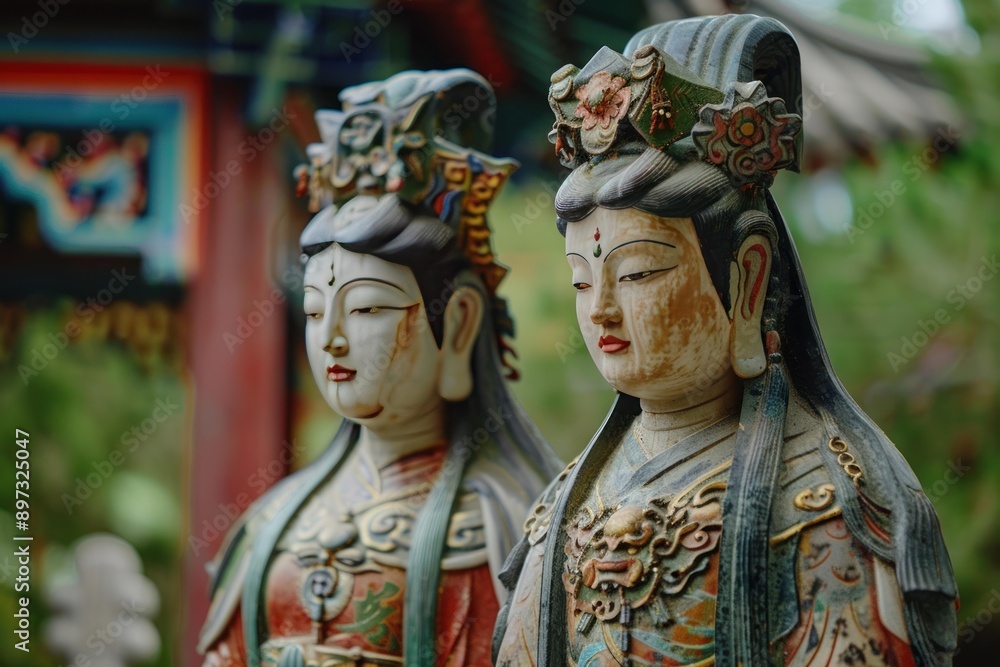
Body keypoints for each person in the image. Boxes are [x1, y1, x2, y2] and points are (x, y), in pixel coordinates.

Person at [494, 15, 957, 667]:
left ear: (748, 276)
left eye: (638, 273)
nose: (600, 310)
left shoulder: (821, 502)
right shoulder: (565, 504)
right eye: (580, 280)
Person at [198, 69, 562, 667]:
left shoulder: (505, 530)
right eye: (315, 312)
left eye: (367, 308)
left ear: (460, 322)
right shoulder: (274, 523)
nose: (332, 340)